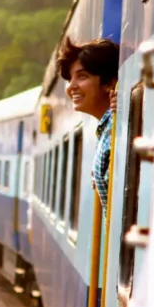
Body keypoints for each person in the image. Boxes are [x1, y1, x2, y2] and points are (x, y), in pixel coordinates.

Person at [55, 36, 120, 213]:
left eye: (82, 76)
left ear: (109, 83)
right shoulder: (107, 129)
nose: (71, 86)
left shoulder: (118, 128)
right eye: (70, 79)